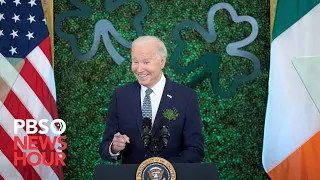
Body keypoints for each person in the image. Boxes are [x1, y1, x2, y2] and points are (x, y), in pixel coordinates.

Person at [99, 36, 204, 164]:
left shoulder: (186, 97)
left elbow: (195, 150)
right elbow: (105, 148)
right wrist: (114, 147)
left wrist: (163, 169)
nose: (139, 69)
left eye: (146, 62)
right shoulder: (121, 95)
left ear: (162, 62)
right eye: (135, 62)